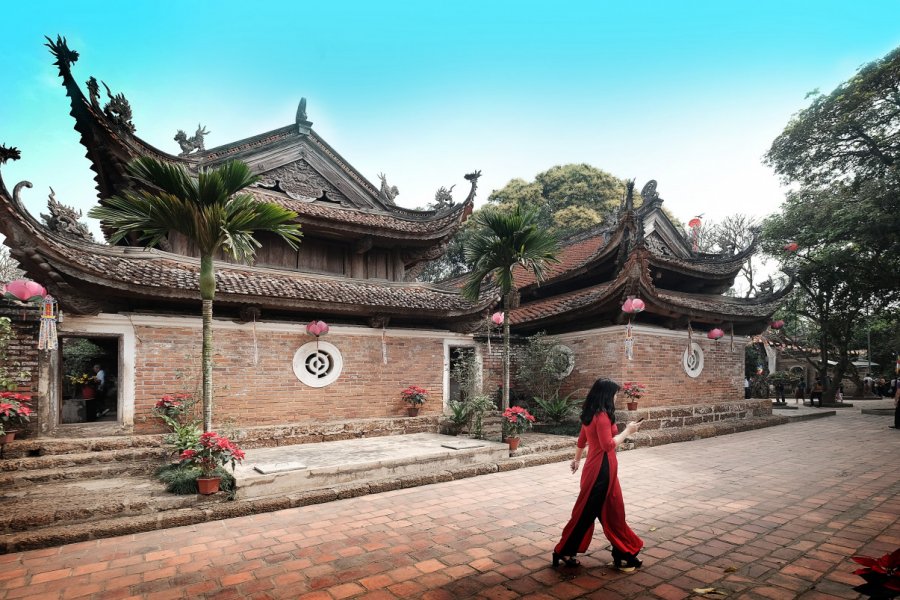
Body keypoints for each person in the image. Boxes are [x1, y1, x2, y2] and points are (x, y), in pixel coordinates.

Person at [553, 378, 644, 572]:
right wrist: (628, 431)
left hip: (598, 468)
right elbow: (608, 445)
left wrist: (577, 460)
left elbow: (582, 438)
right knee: (587, 514)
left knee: (614, 510)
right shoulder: (602, 416)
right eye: (614, 393)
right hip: (601, 471)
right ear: (606, 395)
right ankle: (564, 550)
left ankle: (622, 551)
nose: (616, 396)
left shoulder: (591, 413)